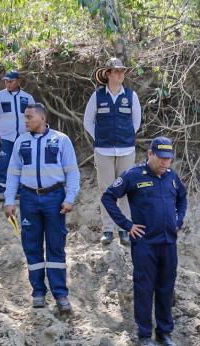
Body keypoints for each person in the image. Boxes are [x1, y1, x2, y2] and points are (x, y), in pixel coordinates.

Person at [101, 137, 187, 346]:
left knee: (166, 288)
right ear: (150, 154)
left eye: (169, 159)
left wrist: (179, 219)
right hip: (145, 244)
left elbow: (182, 199)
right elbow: (108, 197)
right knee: (144, 288)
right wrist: (126, 224)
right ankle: (145, 335)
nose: (165, 163)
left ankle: (164, 333)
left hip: (168, 243)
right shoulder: (134, 175)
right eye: (161, 158)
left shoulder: (173, 178)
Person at [3, 103, 80, 313]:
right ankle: (38, 292)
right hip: (28, 199)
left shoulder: (61, 140)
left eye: (29, 117)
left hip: (55, 198)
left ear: (42, 118)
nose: (25, 120)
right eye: (25, 117)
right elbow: (12, 174)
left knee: (56, 246)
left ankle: (60, 294)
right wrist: (9, 200)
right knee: (32, 246)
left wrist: (70, 197)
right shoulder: (21, 141)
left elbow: (72, 171)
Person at [83, 58, 142, 246]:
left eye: (122, 71)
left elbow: (136, 122)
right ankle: (107, 230)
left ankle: (124, 229)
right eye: (116, 71)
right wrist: (100, 139)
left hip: (126, 150)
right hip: (103, 151)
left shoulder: (131, 96)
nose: (120, 74)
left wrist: (126, 137)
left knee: (125, 190)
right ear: (108, 73)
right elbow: (88, 122)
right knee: (106, 190)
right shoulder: (97, 96)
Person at [0, 70, 36, 201]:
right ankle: (1, 190)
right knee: (3, 162)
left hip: (24, 136)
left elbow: (34, 116)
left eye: (11, 81)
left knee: (22, 163)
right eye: (6, 81)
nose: (7, 84)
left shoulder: (27, 97)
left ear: (18, 81)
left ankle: (19, 190)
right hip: (5, 136)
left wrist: (35, 133)